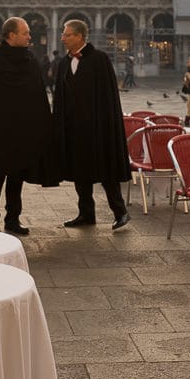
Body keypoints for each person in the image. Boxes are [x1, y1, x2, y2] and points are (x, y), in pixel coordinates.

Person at [0, 17, 56, 235]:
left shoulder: (29, 58)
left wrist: (41, 125)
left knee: (17, 178)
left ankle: (12, 219)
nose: (29, 36)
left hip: (21, 131)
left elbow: (37, 94)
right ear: (11, 35)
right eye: (25, 33)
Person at [54, 19, 131, 231]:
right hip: (74, 129)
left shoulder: (99, 59)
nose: (63, 38)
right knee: (80, 172)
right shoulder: (63, 63)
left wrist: (106, 126)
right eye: (63, 34)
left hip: (97, 128)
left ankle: (121, 212)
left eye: (67, 34)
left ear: (79, 36)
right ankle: (86, 213)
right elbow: (60, 97)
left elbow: (108, 97)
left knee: (106, 172)